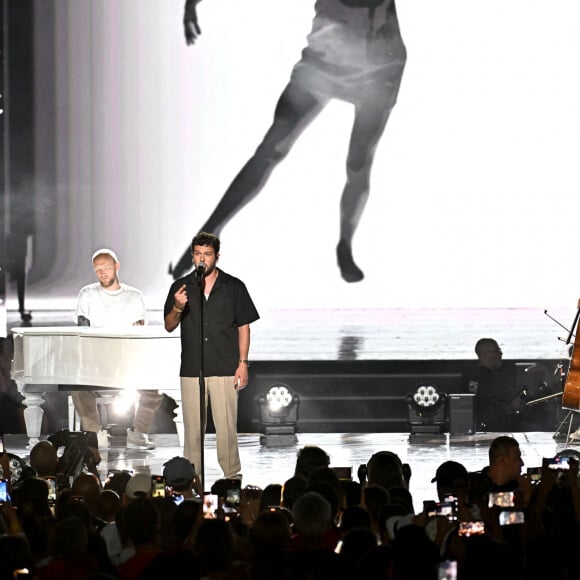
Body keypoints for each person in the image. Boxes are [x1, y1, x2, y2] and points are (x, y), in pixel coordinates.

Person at [171, 0, 407, 283]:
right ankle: (210, 232)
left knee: (358, 160)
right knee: (271, 149)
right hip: (324, 61)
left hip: (379, 67)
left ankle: (344, 244)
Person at [164, 232, 259, 482]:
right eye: (197, 254)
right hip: (193, 368)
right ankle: (190, 479)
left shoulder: (234, 287)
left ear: (217, 256)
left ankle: (232, 477)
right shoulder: (181, 287)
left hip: (225, 367)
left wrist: (242, 363)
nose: (201, 259)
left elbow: (244, 327)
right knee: (192, 429)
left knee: (226, 428)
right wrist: (178, 306)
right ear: (192, 256)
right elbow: (169, 325)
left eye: (207, 254)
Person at [72, 248, 163, 449]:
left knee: (155, 385)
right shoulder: (87, 293)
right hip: (95, 359)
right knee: (77, 385)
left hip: (127, 359)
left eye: (106, 267)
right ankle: (94, 433)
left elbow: (138, 330)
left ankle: (139, 432)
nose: (102, 272)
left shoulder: (133, 295)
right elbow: (82, 327)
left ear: (116, 267)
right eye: (97, 269)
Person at [462, 338, 557, 432]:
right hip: (497, 425)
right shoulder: (490, 379)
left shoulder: (475, 376)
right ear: (486, 354)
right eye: (497, 351)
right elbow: (509, 404)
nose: (501, 354)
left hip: (488, 423)